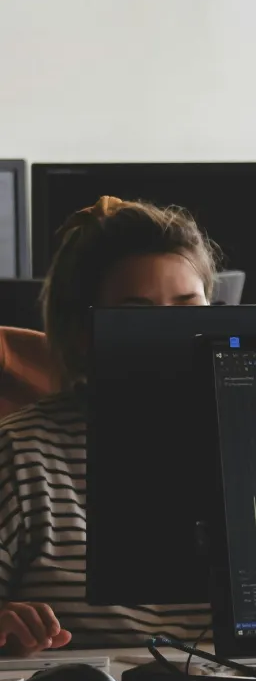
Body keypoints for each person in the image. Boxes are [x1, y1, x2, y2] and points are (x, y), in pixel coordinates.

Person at [0, 197, 214, 653]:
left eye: (188, 307)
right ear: (80, 329)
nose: (170, 334)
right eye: (136, 314)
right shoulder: (20, 453)